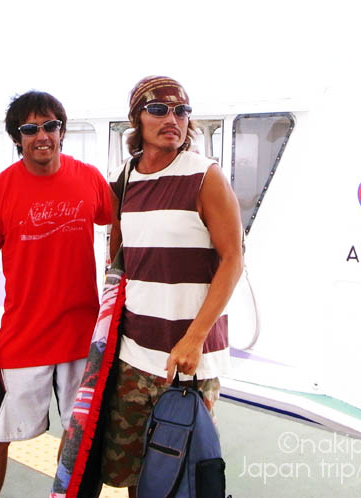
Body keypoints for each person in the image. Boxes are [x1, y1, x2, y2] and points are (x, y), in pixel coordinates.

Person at [0, 91, 111, 498]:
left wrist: (117, 285)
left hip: (82, 340)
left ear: (62, 131)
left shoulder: (90, 179)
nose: (42, 136)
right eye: (30, 129)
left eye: (50, 126)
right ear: (17, 138)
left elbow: (119, 222)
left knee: (80, 442)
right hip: (22, 340)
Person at [102, 76, 243, 497]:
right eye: (159, 109)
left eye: (181, 111)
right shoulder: (125, 177)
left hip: (187, 363)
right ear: (137, 120)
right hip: (133, 355)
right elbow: (119, 261)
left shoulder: (205, 176)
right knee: (136, 474)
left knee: (182, 479)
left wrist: (194, 338)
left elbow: (233, 260)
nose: (173, 119)